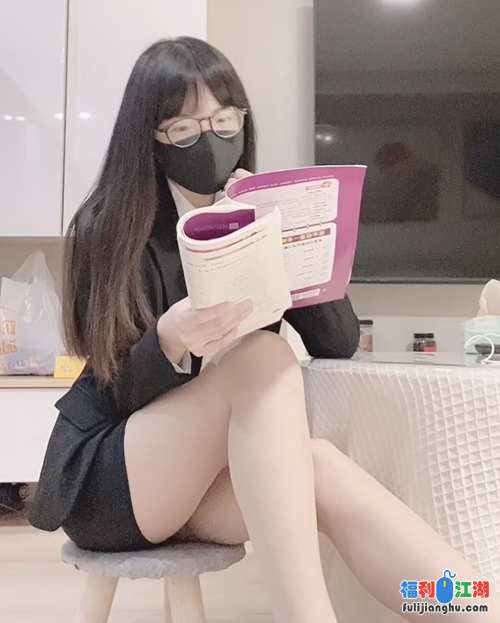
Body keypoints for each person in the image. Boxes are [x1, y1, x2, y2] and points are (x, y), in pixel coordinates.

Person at [30, 37, 499, 623]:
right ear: (149, 137)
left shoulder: (256, 210)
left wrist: (286, 233)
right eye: (185, 129)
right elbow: (111, 386)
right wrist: (169, 341)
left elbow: (338, 342)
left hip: (203, 482)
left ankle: (477, 609)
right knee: (263, 355)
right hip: (115, 478)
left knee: (321, 467)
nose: (210, 140)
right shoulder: (110, 226)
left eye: (224, 121)